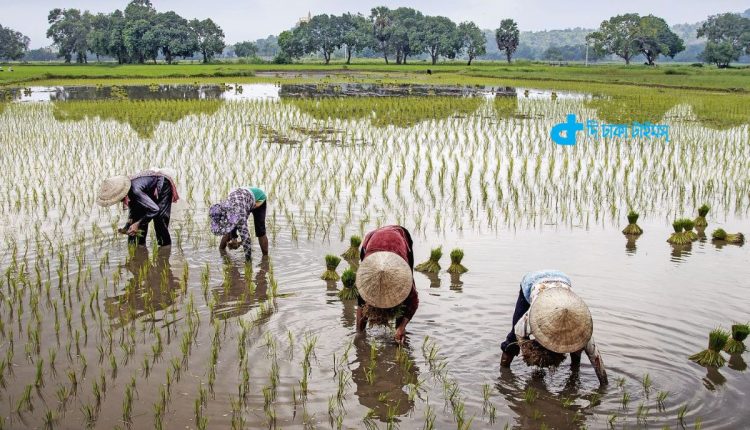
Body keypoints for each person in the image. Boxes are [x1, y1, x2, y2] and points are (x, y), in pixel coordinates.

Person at [500, 270, 608, 385]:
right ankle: (503, 375)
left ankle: (574, 373)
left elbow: (596, 360)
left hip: (563, 281)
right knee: (512, 340)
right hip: (532, 282)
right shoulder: (530, 319)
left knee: (576, 348)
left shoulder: (583, 332)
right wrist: (530, 351)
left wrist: (603, 384)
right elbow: (519, 334)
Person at [355, 225, 418, 344]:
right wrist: (359, 335)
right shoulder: (365, 278)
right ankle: (360, 331)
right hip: (372, 239)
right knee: (364, 297)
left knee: (405, 298)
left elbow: (413, 302)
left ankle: (398, 333)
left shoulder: (403, 275)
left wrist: (402, 327)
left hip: (399, 238)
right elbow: (361, 303)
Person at [96, 169, 179, 246]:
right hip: (146, 189)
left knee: (160, 221)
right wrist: (127, 226)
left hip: (162, 183)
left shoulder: (134, 190)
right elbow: (133, 212)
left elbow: (155, 209)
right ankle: (139, 247)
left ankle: (165, 250)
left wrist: (137, 223)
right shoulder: (129, 193)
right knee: (139, 217)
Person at [209, 186, 269, 260]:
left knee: (260, 230)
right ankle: (222, 253)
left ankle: (265, 258)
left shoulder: (240, 215)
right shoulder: (225, 208)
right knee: (228, 229)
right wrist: (233, 238)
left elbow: (246, 238)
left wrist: (248, 263)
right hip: (242, 199)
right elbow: (229, 226)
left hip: (258, 198)